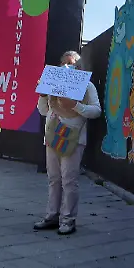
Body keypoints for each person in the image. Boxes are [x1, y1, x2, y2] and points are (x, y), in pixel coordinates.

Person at [34, 51, 102, 235]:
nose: (66, 67)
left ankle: (68, 220)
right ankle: (52, 216)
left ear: (79, 67)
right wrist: (41, 95)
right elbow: (42, 111)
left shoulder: (87, 86)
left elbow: (96, 111)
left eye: (71, 64)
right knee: (53, 179)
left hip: (73, 138)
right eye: (63, 63)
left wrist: (75, 105)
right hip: (52, 136)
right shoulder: (53, 83)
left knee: (69, 180)